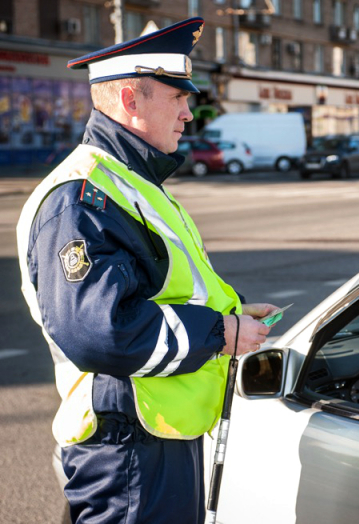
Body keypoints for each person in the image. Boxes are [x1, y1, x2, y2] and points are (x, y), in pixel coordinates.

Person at [16, 18, 276, 523]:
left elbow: (157, 289)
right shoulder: (81, 196)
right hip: (127, 444)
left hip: (153, 433)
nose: (188, 113)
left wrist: (232, 310)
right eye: (177, 98)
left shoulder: (130, 183)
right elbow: (101, 331)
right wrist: (220, 332)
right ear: (132, 101)